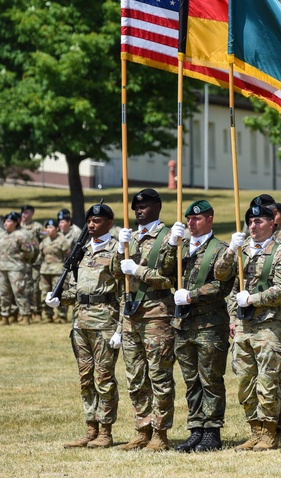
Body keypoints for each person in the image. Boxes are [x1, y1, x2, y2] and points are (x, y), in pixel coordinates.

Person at [216, 201, 281, 450]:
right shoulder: (241, 250)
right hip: (243, 325)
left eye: (259, 221)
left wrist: (253, 299)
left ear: (272, 223)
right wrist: (231, 251)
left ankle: (270, 431)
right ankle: (255, 429)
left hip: (269, 325)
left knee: (268, 380)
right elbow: (221, 276)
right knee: (244, 381)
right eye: (250, 221)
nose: (253, 225)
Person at [47, 203, 122, 449]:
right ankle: (91, 428)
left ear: (109, 223)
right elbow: (77, 290)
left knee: (104, 378)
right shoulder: (82, 251)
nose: (91, 225)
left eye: (97, 221)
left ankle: (106, 431)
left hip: (104, 324)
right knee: (85, 378)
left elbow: (124, 294)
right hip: (80, 323)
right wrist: (59, 297)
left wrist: (120, 330)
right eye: (89, 221)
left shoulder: (116, 251)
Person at [170, 200, 235, 453]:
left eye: (196, 219)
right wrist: (169, 244)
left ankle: (212, 432)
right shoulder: (181, 249)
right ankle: (196, 428)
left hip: (209, 324)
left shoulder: (220, 250)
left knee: (210, 379)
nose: (191, 223)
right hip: (183, 324)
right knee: (191, 380)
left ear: (209, 219)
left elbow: (223, 284)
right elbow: (165, 272)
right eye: (188, 220)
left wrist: (192, 295)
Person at [116, 188, 178, 451]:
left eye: (145, 206)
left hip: (157, 314)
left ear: (158, 206)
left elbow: (171, 278)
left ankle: (160, 434)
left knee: (159, 375)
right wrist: (120, 248)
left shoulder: (167, 237)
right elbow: (115, 273)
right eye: (136, 207)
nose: (139, 211)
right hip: (131, 315)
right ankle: (143, 429)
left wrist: (138, 270)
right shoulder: (131, 237)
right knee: (135, 376)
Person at [0, 212, 38, 325]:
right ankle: (5, 316)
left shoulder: (21, 235)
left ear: (15, 223)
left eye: (9, 221)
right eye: (5, 221)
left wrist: (20, 260)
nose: (6, 223)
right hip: (2, 268)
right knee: (3, 293)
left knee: (19, 292)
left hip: (16, 268)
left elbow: (29, 252)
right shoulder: (1, 235)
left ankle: (25, 316)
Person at [39, 218, 72, 324]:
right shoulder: (44, 241)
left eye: (51, 227)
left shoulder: (62, 240)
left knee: (58, 293)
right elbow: (41, 255)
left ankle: (62, 316)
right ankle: (48, 315)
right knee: (45, 293)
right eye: (47, 227)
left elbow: (68, 255)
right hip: (45, 271)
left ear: (57, 228)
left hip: (58, 271)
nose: (49, 229)